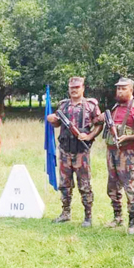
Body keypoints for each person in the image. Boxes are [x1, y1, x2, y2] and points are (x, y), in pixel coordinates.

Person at [46, 76, 103, 227]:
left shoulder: (91, 105)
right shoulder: (63, 106)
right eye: (72, 88)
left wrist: (89, 135)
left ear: (83, 88)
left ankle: (88, 217)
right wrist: (52, 119)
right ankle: (65, 213)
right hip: (65, 150)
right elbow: (57, 123)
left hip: (81, 152)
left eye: (77, 87)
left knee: (84, 184)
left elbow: (99, 124)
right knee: (64, 184)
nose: (74, 90)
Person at [102, 78, 134, 234]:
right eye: (118, 88)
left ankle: (133, 222)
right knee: (112, 186)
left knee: (130, 187)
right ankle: (117, 217)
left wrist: (129, 138)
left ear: (131, 90)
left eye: (123, 88)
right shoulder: (115, 107)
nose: (120, 91)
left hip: (128, 153)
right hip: (112, 152)